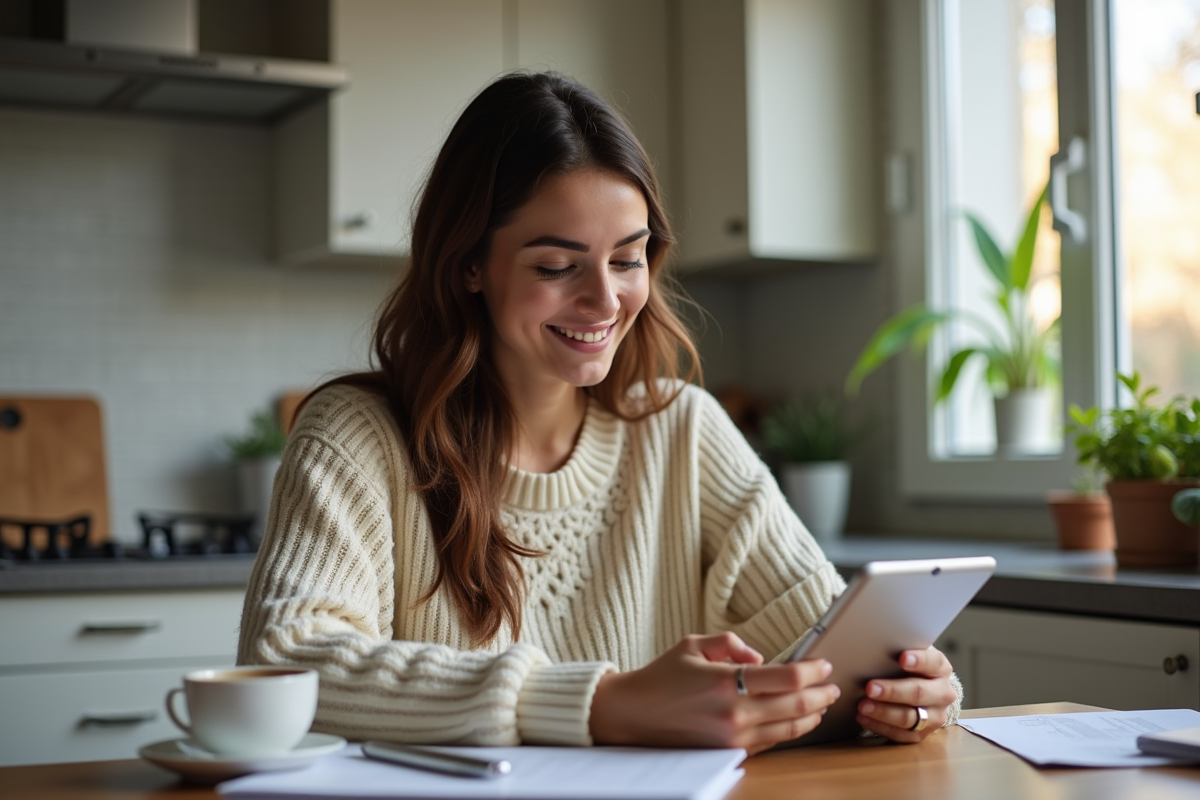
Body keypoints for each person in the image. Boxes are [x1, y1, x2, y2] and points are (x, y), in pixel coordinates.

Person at [237, 71, 961, 754]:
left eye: (628, 258)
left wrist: (902, 687)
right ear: (467, 265)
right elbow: (288, 664)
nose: (605, 299)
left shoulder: (683, 431)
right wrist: (602, 702)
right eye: (556, 266)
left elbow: (822, 638)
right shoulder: (358, 436)